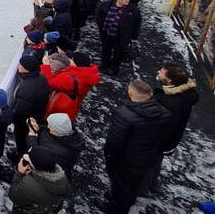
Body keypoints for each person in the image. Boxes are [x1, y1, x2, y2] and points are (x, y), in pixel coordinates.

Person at [104, 79, 171, 214]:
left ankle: (115, 208)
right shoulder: (164, 113)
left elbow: (115, 141)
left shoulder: (124, 114)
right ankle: (125, 203)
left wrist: (109, 156)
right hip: (147, 158)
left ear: (130, 93)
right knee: (133, 186)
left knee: (120, 185)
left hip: (125, 160)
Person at [145, 64, 199, 192]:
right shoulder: (183, 95)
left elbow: (164, 127)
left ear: (170, 81)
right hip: (166, 141)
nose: (158, 71)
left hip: (158, 141)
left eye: (162, 72)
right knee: (155, 162)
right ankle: (151, 184)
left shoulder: (171, 103)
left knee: (149, 164)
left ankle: (143, 188)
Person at [8, 146, 70, 213]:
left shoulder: (29, 184)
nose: (21, 160)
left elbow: (14, 196)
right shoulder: (63, 178)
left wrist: (19, 173)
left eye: (27, 161)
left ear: (34, 167)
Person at [41, 52, 99, 121]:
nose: (69, 59)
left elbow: (49, 82)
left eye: (72, 59)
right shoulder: (86, 73)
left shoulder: (70, 78)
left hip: (59, 107)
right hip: (70, 108)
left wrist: (46, 65)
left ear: (76, 64)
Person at [26, 113, 85, 181]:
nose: (48, 126)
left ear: (55, 131)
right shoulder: (65, 131)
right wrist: (36, 127)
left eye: (50, 125)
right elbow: (47, 129)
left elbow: (38, 157)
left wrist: (31, 137)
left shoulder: (59, 154)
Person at [11, 55, 49, 158]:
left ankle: (21, 157)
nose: (18, 65)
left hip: (26, 121)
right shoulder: (41, 77)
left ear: (25, 68)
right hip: (38, 114)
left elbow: (21, 110)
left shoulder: (26, 88)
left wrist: (13, 118)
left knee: (22, 139)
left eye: (20, 64)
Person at [96, 0, 141, 76]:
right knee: (106, 49)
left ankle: (114, 68)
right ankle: (105, 64)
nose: (128, 0)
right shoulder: (106, 5)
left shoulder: (133, 10)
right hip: (107, 32)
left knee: (118, 53)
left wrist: (133, 36)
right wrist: (101, 27)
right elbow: (98, 15)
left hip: (121, 36)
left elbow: (137, 24)